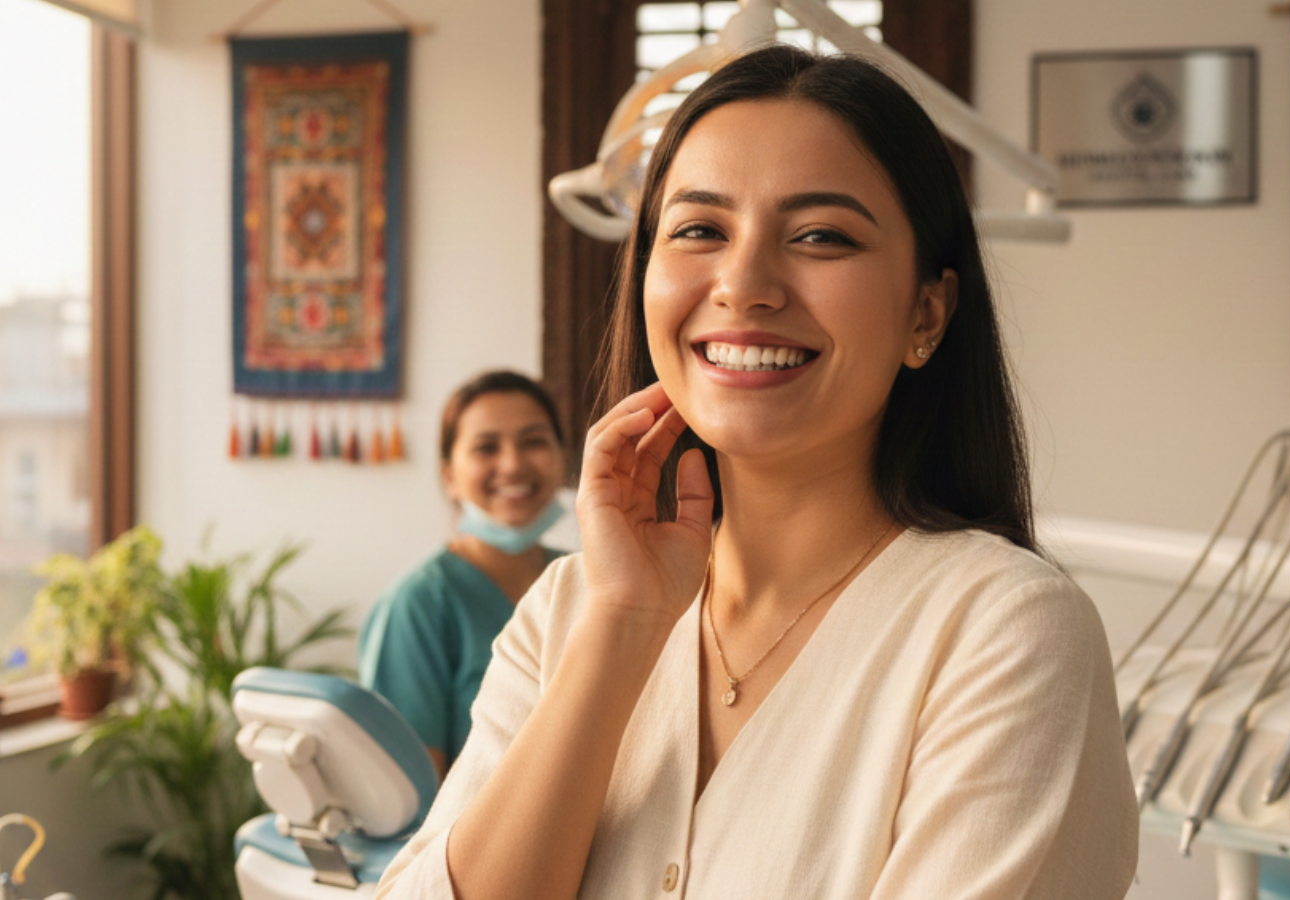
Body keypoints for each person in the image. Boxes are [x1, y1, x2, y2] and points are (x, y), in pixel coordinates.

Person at [376, 45, 1138, 899]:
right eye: (700, 229)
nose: (744, 285)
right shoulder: (566, 613)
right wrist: (623, 626)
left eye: (820, 236)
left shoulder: (1006, 634)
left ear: (927, 310)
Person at [359, 370, 568, 780]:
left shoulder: (591, 580)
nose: (512, 464)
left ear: (562, 457)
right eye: (486, 447)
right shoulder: (420, 605)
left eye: (534, 442)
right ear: (450, 476)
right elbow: (410, 792)